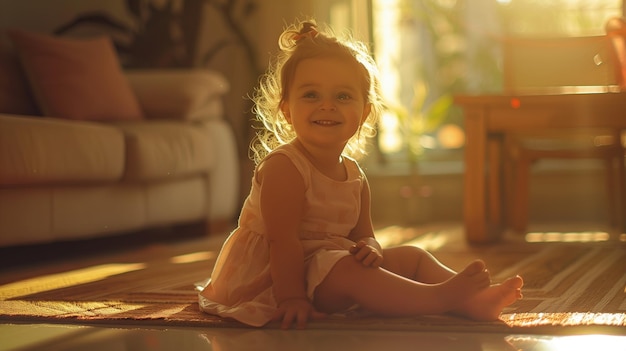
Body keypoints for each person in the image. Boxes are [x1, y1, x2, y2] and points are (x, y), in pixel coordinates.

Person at [198, 19, 523, 329]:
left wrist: (370, 247)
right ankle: (437, 298)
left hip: (327, 267)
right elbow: (281, 242)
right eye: (311, 95)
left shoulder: (354, 175)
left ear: (364, 112)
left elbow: (364, 234)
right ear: (287, 110)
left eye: (343, 96)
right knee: (345, 270)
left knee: (412, 256)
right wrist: (292, 298)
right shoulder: (285, 167)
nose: (327, 106)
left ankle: (473, 302)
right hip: (278, 278)